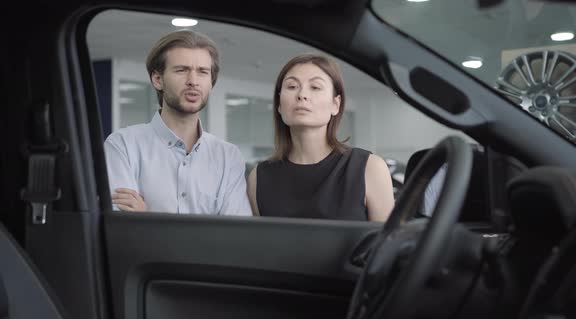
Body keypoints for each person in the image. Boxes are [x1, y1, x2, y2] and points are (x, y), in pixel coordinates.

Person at [104, 30, 251, 215]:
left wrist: (147, 216)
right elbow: (122, 229)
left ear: (211, 82)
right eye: (182, 70)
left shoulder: (228, 157)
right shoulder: (123, 145)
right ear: (157, 79)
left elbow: (235, 234)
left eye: (203, 72)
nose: (193, 81)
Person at [247, 54, 395, 222]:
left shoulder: (369, 168)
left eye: (315, 87)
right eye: (292, 86)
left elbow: (388, 245)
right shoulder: (259, 178)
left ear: (335, 104)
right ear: (279, 105)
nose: (302, 95)